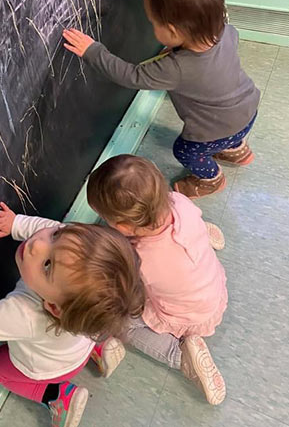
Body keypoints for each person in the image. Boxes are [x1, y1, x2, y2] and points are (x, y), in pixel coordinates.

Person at [0, 203, 144, 427]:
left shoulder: (27, 314)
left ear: (53, 308)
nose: (36, 244)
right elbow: (47, 227)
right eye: (56, 237)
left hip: (52, 367)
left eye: (47, 265)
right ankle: (100, 346)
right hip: (79, 345)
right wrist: (16, 224)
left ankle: (59, 395)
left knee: (0, 368)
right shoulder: (74, 276)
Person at [63, 0, 260, 199]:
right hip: (248, 109)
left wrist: (92, 51)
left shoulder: (174, 69)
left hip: (217, 129)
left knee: (186, 151)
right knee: (232, 132)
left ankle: (211, 179)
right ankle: (237, 150)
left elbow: (131, 76)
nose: (151, 25)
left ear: (174, 32)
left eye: (153, 23)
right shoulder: (226, 31)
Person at [87, 154, 227, 405]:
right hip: (212, 289)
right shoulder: (180, 202)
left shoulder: (139, 258)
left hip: (186, 314)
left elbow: (130, 297)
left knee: (123, 324)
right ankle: (199, 231)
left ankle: (179, 356)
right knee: (181, 257)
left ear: (125, 228)